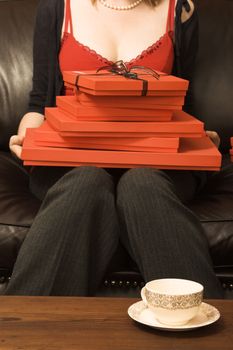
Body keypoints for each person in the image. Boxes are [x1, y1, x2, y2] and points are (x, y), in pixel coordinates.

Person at [6, 0, 223, 298]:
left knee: (142, 184)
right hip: (71, 161)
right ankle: (18, 333)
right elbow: (39, 102)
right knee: (87, 181)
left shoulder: (180, 9)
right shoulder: (56, 7)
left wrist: (200, 137)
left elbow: (181, 102)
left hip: (159, 162)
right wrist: (26, 138)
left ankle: (210, 333)